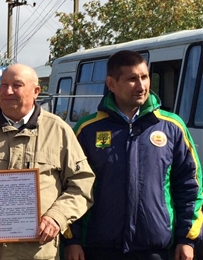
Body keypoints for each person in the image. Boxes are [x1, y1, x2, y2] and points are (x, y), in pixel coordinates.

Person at [63, 50, 203, 260]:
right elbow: (70, 186)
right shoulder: (88, 129)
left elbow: (190, 186)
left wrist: (187, 239)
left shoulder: (172, 127)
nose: (141, 86)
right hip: (98, 248)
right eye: (131, 79)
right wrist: (72, 240)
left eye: (144, 77)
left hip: (156, 249)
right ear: (111, 84)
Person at [0, 63, 95, 260]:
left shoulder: (58, 130)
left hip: (38, 253)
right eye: (3, 85)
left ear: (36, 91)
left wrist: (56, 218)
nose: (7, 91)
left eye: (17, 85)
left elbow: (82, 184)